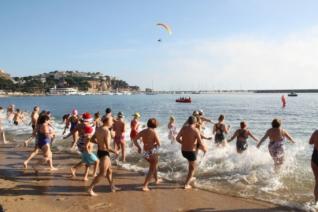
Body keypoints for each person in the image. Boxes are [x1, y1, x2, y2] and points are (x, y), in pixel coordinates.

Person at [88, 116, 119, 196]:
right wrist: (115, 151)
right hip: (104, 153)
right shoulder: (107, 131)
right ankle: (90, 188)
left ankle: (112, 186)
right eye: (111, 120)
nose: (113, 122)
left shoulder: (98, 128)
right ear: (106, 121)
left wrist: (99, 143)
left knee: (110, 171)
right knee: (102, 173)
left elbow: (91, 139)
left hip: (100, 151)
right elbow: (108, 147)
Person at [176, 116, 207, 189]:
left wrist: (183, 143)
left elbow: (177, 138)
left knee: (190, 165)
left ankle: (190, 177)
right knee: (192, 168)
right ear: (195, 122)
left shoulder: (183, 128)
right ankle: (186, 184)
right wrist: (204, 149)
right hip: (191, 152)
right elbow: (200, 142)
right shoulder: (195, 130)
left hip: (183, 151)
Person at [133, 118, 161, 191]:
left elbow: (135, 139)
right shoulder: (154, 132)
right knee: (152, 168)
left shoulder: (143, 131)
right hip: (151, 152)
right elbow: (159, 144)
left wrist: (139, 147)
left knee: (154, 165)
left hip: (145, 152)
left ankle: (156, 180)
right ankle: (145, 186)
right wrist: (154, 146)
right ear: (155, 125)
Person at [71, 113, 99, 181]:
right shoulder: (89, 125)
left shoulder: (79, 125)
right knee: (89, 160)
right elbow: (91, 134)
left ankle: (80, 172)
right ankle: (90, 174)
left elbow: (73, 132)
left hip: (81, 143)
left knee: (86, 160)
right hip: (86, 143)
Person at [310, 130, 318, 204]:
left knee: (317, 181)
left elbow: (310, 142)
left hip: (315, 156)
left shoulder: (316, 132)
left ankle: (316, 202)